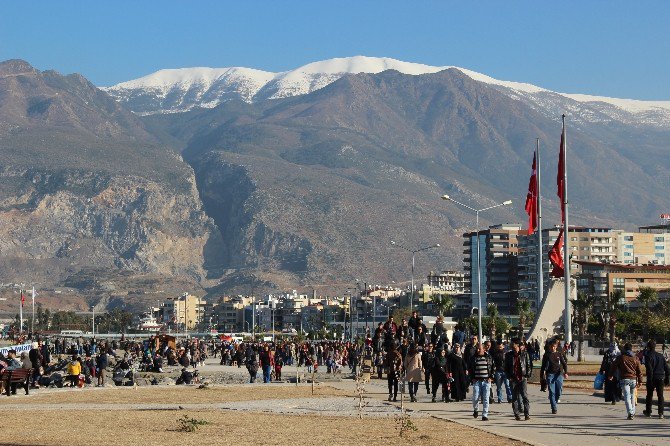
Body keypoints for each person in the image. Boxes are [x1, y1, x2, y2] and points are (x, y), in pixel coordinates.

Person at [609, 342, 642, 420]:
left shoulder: (621, 358)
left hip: (624, 379)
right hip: (633, 379)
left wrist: (610, 375)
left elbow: (613, 366)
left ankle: (630, 413)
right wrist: (640, 381)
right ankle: (632, 412)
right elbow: (639, 371)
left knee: (627, 396)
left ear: (624, 349)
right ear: (631, 349)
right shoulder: (636, 358)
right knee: (633, 396)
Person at [504, 338, 532, 421]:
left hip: (522, 378)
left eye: (514, 345)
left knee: (524, 396)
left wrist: (527, 375)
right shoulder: (508, 355)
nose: (513, 347)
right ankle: (517, 414)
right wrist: (509, 377)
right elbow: (506, 367)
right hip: (513, 379)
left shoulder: (524, 354)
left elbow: (528, 365)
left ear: (518, 346)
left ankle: (527, 414)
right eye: (512, 346)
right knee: (514, 397)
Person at [642, 340, 670, 419]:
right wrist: (667, 378)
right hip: (661, 377)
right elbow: (667, 368)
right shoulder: (661, 356)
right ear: (655, 346)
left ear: (648, 347)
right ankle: (661, 413)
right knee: (660, 396)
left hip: (652, 377)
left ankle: (648, 411)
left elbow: (649, 369)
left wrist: (650, 380)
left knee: (649, 395)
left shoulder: (648, 356)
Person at [540, 340, 568, 414]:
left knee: (559, 391)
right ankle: (554, 408)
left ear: (556, 347)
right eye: (552, 346)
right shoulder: (546, 355)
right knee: (552, 392)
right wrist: (541, 377)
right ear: (550, 347)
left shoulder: (559, 354)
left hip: (559, 375)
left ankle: (555, 402)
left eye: (554, 347)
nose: (553, 348)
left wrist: (566, 373)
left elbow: (564, 364)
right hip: (550, 375)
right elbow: (543, 367)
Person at [468, 343, 494, 421]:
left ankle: (484, 415)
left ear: (484, 349)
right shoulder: (473, 358)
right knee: (475, 398)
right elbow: (470, 369)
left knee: (486, 398)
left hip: (486, 381)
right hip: (477, 381)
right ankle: (476, 410)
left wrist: (491, 377)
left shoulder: (489, 357)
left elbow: (493, 368)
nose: (478, 350)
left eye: (480, 349)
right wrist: (472, 378)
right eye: (477, 349)